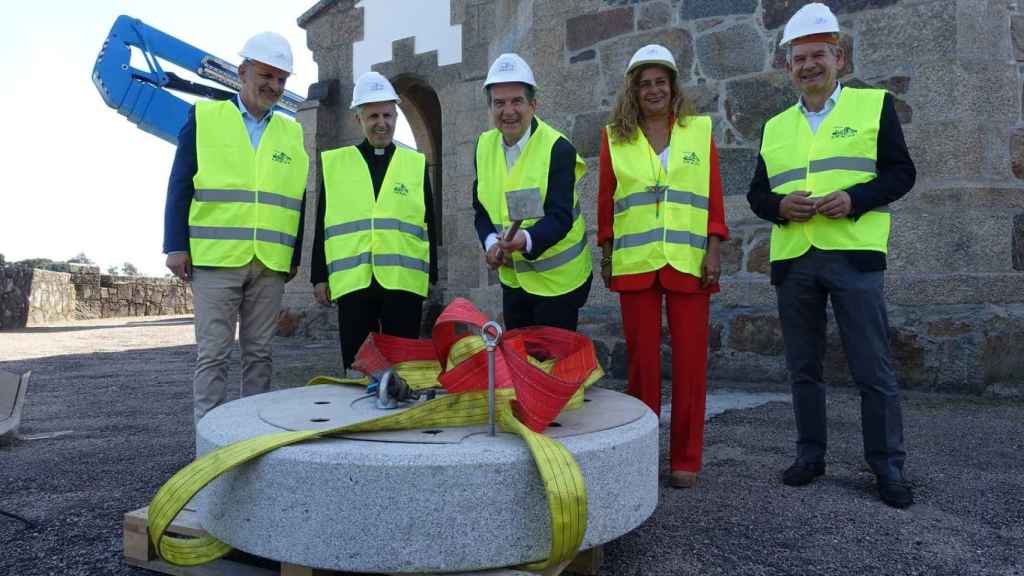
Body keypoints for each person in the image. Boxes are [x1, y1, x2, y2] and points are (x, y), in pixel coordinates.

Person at [746, 3, 916, 508]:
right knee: (803, 368)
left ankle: (887, 466)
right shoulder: (775, 126)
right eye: (799, 58)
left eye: (818, 55)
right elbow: (757, 194)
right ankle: (810, 456)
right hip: (796, 259)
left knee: (873, 368)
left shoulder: (873, 106)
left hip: (853, 256)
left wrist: (856, 198)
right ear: (788, 66)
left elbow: (901, 173)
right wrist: (779, 206)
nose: (808, 65)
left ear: (839, 58)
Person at [597, 45, 728, 489]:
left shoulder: (698, 130)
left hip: (690, 262)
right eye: (644, 82)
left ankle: (686, 458)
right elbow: (606, 200)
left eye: (660, 81)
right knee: (642, 366)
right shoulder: (615, 135)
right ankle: (642, 455)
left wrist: (714, 248)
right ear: (632, 89)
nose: (653, 89)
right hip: (635, 263)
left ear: (673, 86)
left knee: (691, 364)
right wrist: (607, 253)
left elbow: (712, 194)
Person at [163, 32, 309, 430]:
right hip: (215, 259)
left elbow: (297, 198)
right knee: (213, 354)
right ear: (243, 72)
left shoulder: (291, 132)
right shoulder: (205, 117)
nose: (274, 86)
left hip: (269, 262)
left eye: (282, 80)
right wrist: (176, 245)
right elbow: (181, 182)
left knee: (260, 353)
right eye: (267, 75)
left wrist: (292, 257)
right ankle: (209, 447)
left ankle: (253, 439)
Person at [311, 72, 437, 375]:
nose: (382, 123)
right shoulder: (337, 164)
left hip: (403, 282)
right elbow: (322, 222)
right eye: (373, 116)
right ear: (359, 119)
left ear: (396, 116)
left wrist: (430, 275)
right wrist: (319, 277)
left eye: (388, 115)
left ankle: (400, 414)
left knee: (404, 365)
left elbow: (428, 221)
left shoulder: (414, 163)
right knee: (358, 364)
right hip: (355, 282)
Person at [472, 53, 592, 331]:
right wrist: (491, 243)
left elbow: (560, 217)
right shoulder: (483, 146)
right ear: (490, 108)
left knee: (551, 368)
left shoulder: (558, 148)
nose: (508, 111)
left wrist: (524, 239)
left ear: (533, 104)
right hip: (514, 283)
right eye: (499, 103)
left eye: (517, 101)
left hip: (559, 281)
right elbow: (481, 209)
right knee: (519, 364)